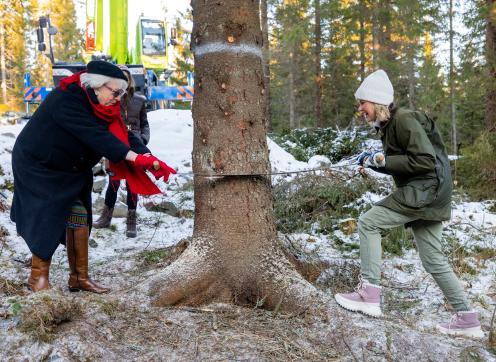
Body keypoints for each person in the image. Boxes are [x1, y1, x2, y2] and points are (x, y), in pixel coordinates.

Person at [334, 69, 484, 338]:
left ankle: (369, 294)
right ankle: (468, 319)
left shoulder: (404, 120)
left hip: (424, 192)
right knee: (433, 259)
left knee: (369, 223)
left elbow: (424, 161)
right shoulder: (389, 126)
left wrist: (383, 161)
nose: (360, 109)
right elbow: (405, 165)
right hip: (429, 193)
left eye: (362, 103)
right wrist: (375, 162)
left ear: (376, 101)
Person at [11, 60, 176, 294]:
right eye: (116, 92)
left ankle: (79, 277)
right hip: (40, 165)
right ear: (98, 86)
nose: (119, 98)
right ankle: (37, 277)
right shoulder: (67, 99)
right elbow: (97, 136)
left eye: (122, 93)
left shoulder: (103, 106)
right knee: (45, 217)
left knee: (79, 216)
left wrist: (147, 157)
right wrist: (134, 159)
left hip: (71, 167)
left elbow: (122, 135)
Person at [93, 65, 150, 237]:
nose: (123, 80)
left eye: (125, 77)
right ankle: (106, 217)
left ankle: (131, 222)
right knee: (114, 183)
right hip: (116, 146)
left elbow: (145, 123)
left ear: (130, 80)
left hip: (135, 146)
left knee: (133, 184)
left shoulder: (139, 100)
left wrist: (144, 139)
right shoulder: (110, 98)